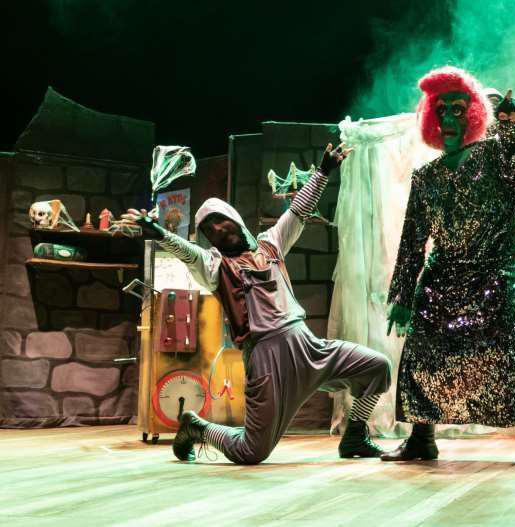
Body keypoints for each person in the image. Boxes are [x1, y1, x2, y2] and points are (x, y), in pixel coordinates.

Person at [124, 144, 391, 464]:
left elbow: (297, 212)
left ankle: (355, 436)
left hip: (308, 347)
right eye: (209, 230)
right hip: (266, 360)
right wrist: (159, 233)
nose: (217, 230)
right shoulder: (215, 266)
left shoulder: (271, 244)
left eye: (220, 221)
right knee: (252, 451)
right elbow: (189, 253)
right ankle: (197, 427)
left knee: (377, 367)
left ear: (235, 219)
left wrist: (323, 171)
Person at [382, 66, 515, 467]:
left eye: (458, 109)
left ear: (474, 114)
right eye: (440, 110)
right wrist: (402, 296)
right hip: (441, 278)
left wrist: (514, 123)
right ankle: (421, 438)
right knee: (421, 352)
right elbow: (412, 241)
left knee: (507, 352)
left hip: (492, 273)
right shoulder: (426, 177)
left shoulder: (495, 155)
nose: (448, 117)